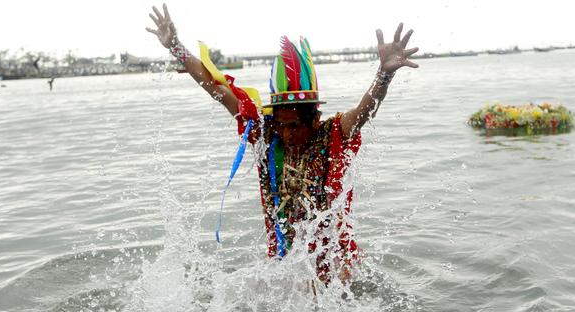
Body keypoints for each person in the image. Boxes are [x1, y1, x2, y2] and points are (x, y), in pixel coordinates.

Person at [146, 4, 418, 284]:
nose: (287, 135)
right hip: (285, 257)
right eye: (281, 126)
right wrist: (176, 47)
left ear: (315, 120)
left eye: (295, 127)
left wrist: (384, 75)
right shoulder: (266, 137)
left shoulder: (331, 134)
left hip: (333, 255)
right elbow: (217, 90)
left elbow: (363, 112)